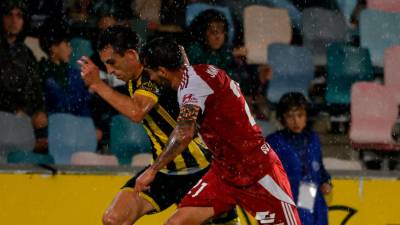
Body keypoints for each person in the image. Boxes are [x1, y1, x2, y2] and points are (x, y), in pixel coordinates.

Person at [78, 26, 238, 225]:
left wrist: (98, 85)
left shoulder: (151, 75)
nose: (109, 71)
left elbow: (137, 112)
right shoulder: (134, 77)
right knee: (113, 219)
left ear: (130, 54)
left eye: (112, 63)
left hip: (200, 170)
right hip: (165, 172)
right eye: (105, 65)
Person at [137, 37, 301, 225]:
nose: (150, 78)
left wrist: (153, 170)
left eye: (150, 73)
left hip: (257, 172)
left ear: (163, 71)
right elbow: (181, 51)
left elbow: (184, 133)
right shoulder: (197, 74)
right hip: (224, 173)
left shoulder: (191, 86)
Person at [266, 92, 332, 225]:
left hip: (311, 198)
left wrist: (326, 182)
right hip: (285, 201)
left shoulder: (313, 139)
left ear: (307, 116)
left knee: (307, 219)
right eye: (290, 116)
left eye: (300, 115)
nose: (296, 121)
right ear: (282, 118)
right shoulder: (274, 142)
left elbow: (319, 167)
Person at [0, 0, 47, 154]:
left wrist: (39, 112)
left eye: (19, 16)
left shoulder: (26, 53)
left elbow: (36, 88)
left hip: (24, 121)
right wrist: (15, 110)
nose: (14, 21)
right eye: (9, 15)